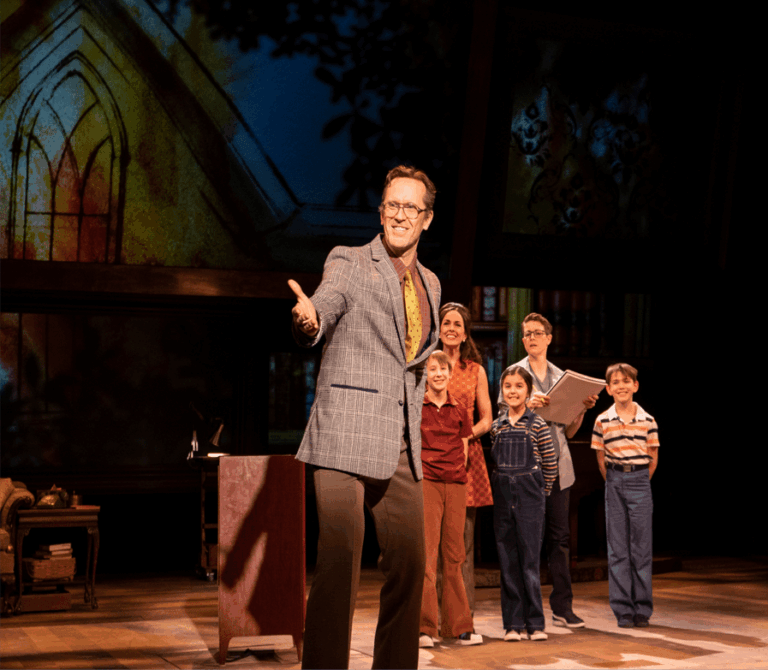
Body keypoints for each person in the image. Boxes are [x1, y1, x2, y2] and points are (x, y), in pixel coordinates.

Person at [289, 165, 441, 669]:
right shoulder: (350, 261)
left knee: (411, 565)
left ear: (427, 219)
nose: (400, 215)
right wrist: (309, 319)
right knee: (339, 559)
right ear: (381, 212)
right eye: (392, 206)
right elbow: (325, 304)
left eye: (410, 208)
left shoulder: (432, 284)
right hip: (342, 434)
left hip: (399, 444)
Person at [512, 313, 598, 629]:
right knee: (527, 539)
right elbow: (502, 421)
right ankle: (525, 609)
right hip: (526, 467)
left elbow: (569, 430)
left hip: (558, 467)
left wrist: (582, 411)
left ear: (549, 338)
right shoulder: (515, 374)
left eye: (538, 333)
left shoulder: (563, 377)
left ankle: (562, 606)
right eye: (527, 334)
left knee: (560, 538)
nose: (532, 337)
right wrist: (528, 406)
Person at [418, 350, 483, 648]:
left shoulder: (460, 409)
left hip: (455, 482)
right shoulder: (419, 405)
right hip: (428, 482)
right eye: (433, 369)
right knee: (428, 556)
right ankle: (425, 627)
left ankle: (459, 627)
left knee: (454, 555)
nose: (439, 373)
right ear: (426, 373)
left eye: (443, 369)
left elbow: (466, 446)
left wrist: (459, 476)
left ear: (450, 373)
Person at [491, 365, 557, 641]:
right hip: (504, 498)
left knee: (529, 561)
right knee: (508, 561)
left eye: (519, 386)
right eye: (508, 386)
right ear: (502, 392)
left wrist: (542, 491)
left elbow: (550, 463)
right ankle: (513, 624)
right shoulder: (497, 426)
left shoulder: (538, 424)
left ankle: (535, 623)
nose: (513, 391)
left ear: (528, 391)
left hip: (531, 498)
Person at [591, 363, 659, 629]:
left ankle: (642, 608)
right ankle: (623, 610)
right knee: (618, 548)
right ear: (608, 389)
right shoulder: (602, 420)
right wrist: (615, 480)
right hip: (614, 481)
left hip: (640, 480)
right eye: (615, 382)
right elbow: (600, 456)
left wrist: (637, 479)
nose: (621, 386)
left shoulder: (648, 420)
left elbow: (653, 457)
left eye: (626, 381)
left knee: (641, 548)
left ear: (635, 385)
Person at [436, 302, 493, 615]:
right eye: (447, 323)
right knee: (432, 547)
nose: (452, 329)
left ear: (465, 332)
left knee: (462, 545)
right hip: (431, 459)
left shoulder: (475, 370)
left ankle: (461, 617)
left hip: (465, 461)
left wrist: (468, 435)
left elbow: (487, 418)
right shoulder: (427, 366)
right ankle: (431, 617)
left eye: (458, 324)